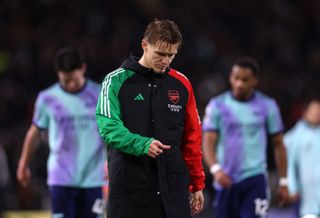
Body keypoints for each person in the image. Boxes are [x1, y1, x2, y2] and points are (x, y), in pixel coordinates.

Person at [95, 19, 205, 218]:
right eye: (160, 54)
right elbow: (108, 127)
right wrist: (142, 144)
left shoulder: (182, 84)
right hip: (130, 190)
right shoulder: (115, 81)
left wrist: (197, 183)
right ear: (145, 45)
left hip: (173, 189)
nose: (166, 61)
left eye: (171, 55)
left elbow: (192, 138)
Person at [16, 47, 106, 218]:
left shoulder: (100, 94)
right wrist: (23, 163)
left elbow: (111, 132)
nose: (71, 85)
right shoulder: (47, 98)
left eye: (74, 80)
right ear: (58, 73)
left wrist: (112, 161)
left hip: (93, 179)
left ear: (83, 69)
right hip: (61, 178)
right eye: (65, 81)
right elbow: (35, 132)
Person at [202, 56, 289, 218]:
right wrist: (216, 169)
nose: (240, 84)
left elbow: (278, 144)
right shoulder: (218, 105)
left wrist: (283, 182)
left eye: (245, 79)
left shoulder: (268, 106)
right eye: (236, 78)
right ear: (230, 78)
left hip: (255, 179)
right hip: (226, 178)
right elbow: (208, 141)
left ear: (255, 80)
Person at [284, 97, 320, 218]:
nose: (317, 114)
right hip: (306, 199)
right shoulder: (293, 137)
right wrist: (292, 187)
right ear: (305, 113)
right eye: (314, 110)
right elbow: (288, 165)